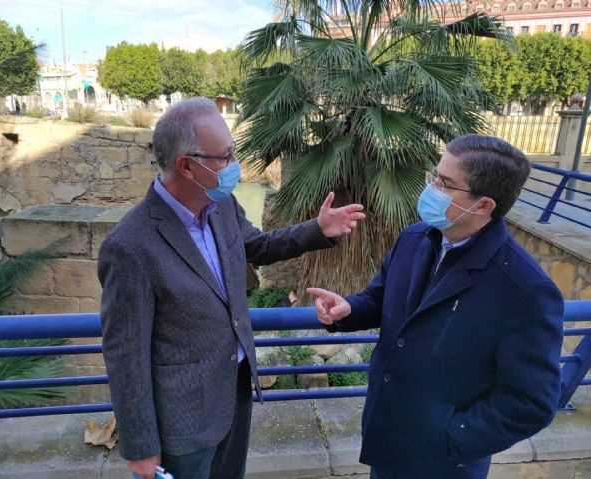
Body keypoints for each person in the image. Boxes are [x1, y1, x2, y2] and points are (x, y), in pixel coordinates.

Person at [97, 97, 365, 479]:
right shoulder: (130, 246)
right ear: (187, 166)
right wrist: (141, 447)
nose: (235, 164)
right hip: (183, 423)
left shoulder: (220, 206)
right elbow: (125, 355)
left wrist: (317, 229)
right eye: (225, 156)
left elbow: (259, 247)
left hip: (234, 393)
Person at [307, 135, 564, 479]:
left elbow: (532, 402)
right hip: (387, 438)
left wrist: (453, 438)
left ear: (483, 205)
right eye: (434, 175)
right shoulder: (415, 238)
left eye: (444, 183)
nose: (430, 188)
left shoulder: (525, 289)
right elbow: (380, 297)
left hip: (444, 464)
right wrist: (348, 310)